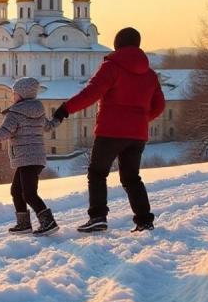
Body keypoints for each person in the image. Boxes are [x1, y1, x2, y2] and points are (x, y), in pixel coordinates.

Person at [54, 27, 164, 233]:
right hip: (137, 135)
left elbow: (91, 93)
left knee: (97, 173)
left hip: (110, 131)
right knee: (131, 177)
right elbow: (159, 106)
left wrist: (65, 109)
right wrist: (139, 119)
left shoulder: (111, 67)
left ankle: (98, 217)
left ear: (117, 44)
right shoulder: (150, 74)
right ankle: (144, 220)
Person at [0, 77, 60, 236]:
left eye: (14, 93)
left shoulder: (15, 114)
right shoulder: (38, 111)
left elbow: (4, 133)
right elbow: (48, 126)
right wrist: (58, 118)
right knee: (16, 191)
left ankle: (48, 222)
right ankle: (23, 224)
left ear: (22, 95)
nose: (13, 96)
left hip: (26, 158)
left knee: (29, 193)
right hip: (36, 159)